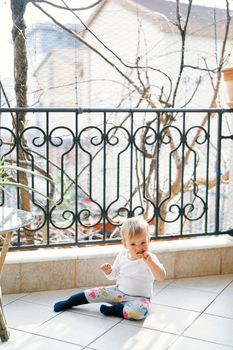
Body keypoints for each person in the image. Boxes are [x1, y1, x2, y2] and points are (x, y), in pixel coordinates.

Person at [54, 216, 166, 320]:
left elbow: (161, 277)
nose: (138, 247)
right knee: (94, 293)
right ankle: (70, 302)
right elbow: (114, 275)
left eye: (143, 242)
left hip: (140, 298)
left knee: (140, 312)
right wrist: (109, 271)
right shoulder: (122, 255)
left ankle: (116, 310)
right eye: (133, 244)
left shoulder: (150, 258)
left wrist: (151, 263)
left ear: (149, 240)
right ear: (125, 244)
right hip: (119, 292)